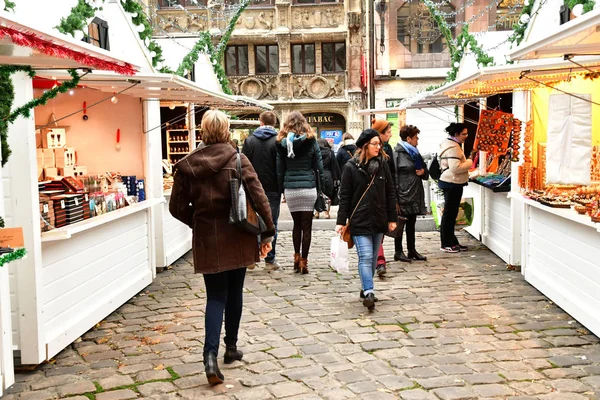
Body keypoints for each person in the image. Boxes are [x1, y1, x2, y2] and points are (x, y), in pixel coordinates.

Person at [169, 109, 275, 385]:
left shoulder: (187, 165)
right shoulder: (237, 159)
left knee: (215, 297)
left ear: (203, 131)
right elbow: (259, 196)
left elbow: (176, 207)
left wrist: (196, 221)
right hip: (238, 234)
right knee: (235, 292)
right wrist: (268, 232)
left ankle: (209, 355)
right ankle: (231, 347)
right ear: (227, 130)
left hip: (207, 238)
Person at [336, 129, 397, 311]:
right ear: (365, 146)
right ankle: (369, 291)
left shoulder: (382, 164)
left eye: (380, 144)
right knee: (366, 256)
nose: (379, 147)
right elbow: (345, 196)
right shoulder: (350, 167)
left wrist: (392, 218)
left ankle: (365, 285)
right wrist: (340, 221)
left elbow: (390, 192)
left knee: (371, 260)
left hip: (379, 218)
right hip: (360, 219)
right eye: (375, 144)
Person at [276, 111, 324, 274]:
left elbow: (279, 168)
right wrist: (321, 186)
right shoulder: (311, 141)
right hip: (308, 187)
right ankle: (304, 262)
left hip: (291, 188)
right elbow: (319, 166)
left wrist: (281, 188)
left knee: (296, 225)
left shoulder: (281, 143)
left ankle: (296, 258)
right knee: (307, 226)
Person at [242, 111, 281, 271]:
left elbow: (243, 164)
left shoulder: (250, 140)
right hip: (273, 187)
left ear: (261, 122)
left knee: (251, 221)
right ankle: (270, 260)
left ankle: (251, 257)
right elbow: (281, 165)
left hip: (253, 187)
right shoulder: (278, 141)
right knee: (272, 223)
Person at [394, 125, 429, 262]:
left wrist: (423, 172)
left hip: (414, 192)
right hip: (402, 193)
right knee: (400, 223)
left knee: (412, 223)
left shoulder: (414, 153)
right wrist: (395, 198)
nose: (417, 140)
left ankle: (411, 250)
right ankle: (398, 251)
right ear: (408, 138)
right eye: (416, 138)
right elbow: (394, 176)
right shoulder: (397, 153)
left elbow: (424, 171)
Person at [438, 122, 473, 253]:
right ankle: (446, 243)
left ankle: (452, 242)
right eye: (464, 134)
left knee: (451, 214)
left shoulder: (451, 144)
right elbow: (455, 168)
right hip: (452, 183)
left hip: (452, 183)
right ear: (456, 134)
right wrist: (469, 162)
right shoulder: (453, 147)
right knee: (449, 214)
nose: (466, 136)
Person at [370, 118, 395, 275]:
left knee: (380, 230)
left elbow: (391, 176)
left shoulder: (388, 149)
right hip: (375, 196)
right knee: (376, 230)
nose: (391, 135)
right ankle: (379, 260)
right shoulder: (373, 151)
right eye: (389, 132)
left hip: (385, 195)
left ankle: (378, 259)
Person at [315, 138, 341, 219]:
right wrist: (336, 177)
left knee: (317, 193)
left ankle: (317, 212)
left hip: (317, 175)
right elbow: (334, 166)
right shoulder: (330, 152)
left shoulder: (315, 152)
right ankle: (327, 213)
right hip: (328, 175)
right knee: (328, 194)